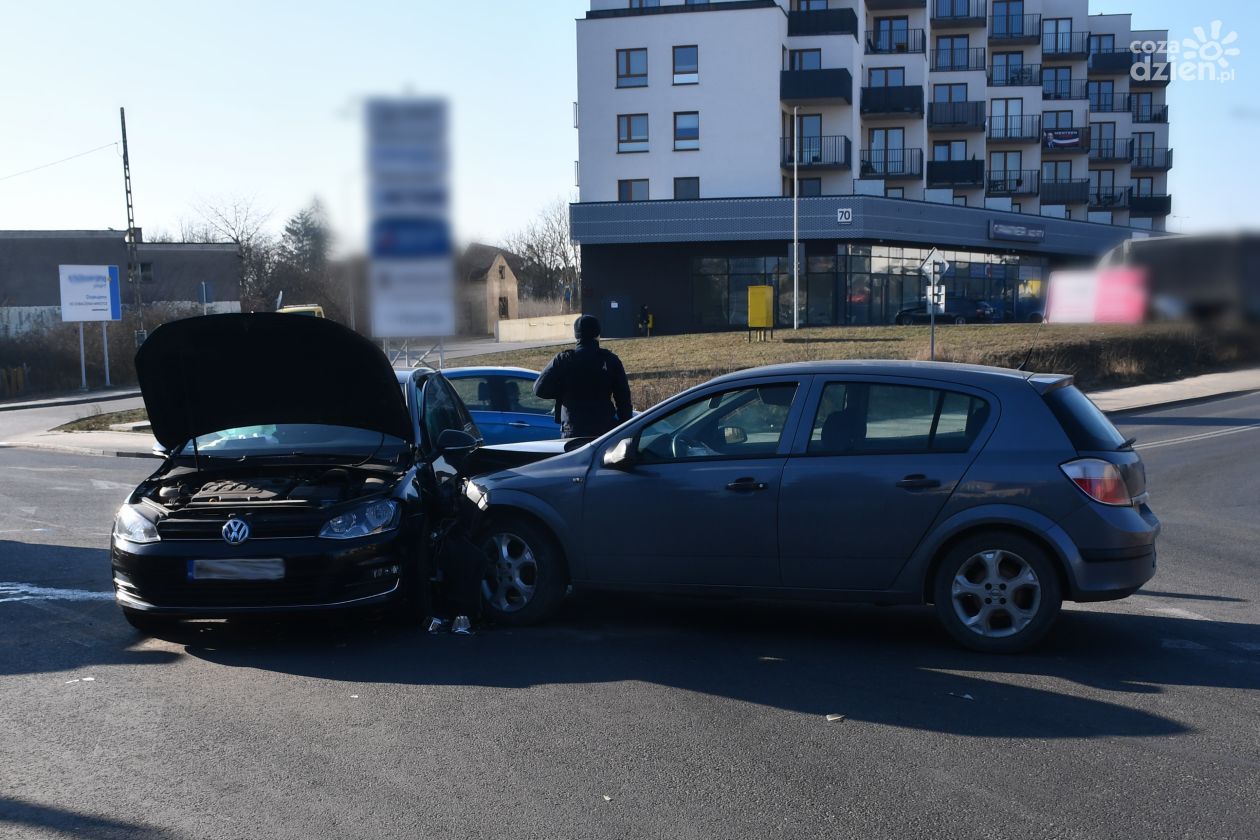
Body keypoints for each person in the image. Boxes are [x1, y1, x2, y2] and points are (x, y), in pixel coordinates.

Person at [533, 315, 632, 438]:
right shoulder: (610, 360)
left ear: (576, 336)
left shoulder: (563, 360)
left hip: (572, 429)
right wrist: (623, 427)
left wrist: (563, 392)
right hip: (603, 428)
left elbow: (539, 389)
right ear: (598, 334)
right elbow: (624, 399)